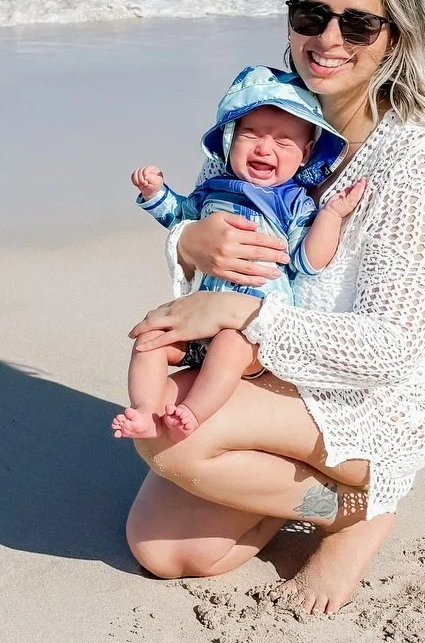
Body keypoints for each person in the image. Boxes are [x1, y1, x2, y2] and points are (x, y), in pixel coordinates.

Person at [124, 0, 425, 615]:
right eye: (312, 15)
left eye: (359, 23)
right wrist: (189, 244)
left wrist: (245, 316)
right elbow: (206, 244)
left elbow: (391, 347)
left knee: (171, 438)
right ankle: (320, 502)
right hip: (271, 363)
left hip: (385, 389)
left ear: (396, 37)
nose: (329, 38)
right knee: (170, 552)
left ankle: (357, 513)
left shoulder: (418, 161)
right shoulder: (262, 116)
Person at [113, 67, 368, 442]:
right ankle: (146, 411)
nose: (264, 147)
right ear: (230, 140)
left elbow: (307, 260)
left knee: (230, 348)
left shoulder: (293, 203)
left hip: (252, 331)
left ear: (306, 153)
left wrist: (330, 215)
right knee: (151, 338)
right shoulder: (214, 189)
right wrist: (156, 194)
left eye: (284, 141)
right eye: (251, 135)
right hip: (197, 322)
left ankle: (194, 412)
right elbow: (180, 217)